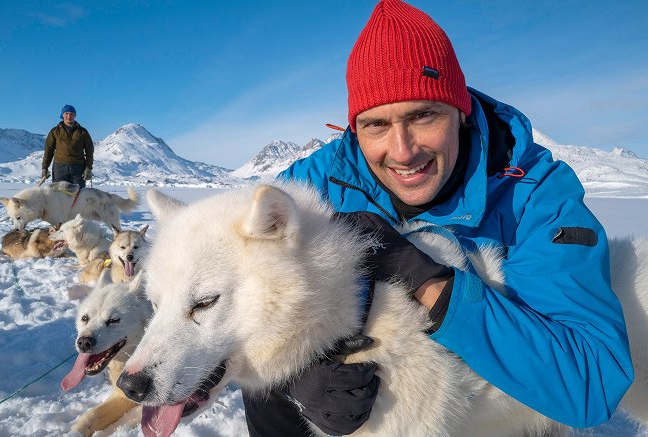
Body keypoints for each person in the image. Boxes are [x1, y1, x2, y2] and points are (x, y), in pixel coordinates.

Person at [242, 0, 634, 435]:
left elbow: (589, 386)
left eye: (423, 115)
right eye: (376, 125)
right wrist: (295, 378)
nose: (403, 150)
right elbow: (247, 304)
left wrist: (431, 283)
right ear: (354, 129)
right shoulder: (311, 190)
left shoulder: (535, 196)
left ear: (460, 111)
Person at [41, 104, 94, 188]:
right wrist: (45, 167)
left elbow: (89, 150)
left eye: (71, 114)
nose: (69, 116)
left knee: (78, 194)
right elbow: (49, 150)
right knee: (58, 193)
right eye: (66, 113)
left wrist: (89, 168)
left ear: (75, 115)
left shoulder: (82, 132)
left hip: (78, 167)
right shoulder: (55, 131)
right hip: (60, 167)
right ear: (62, 115)